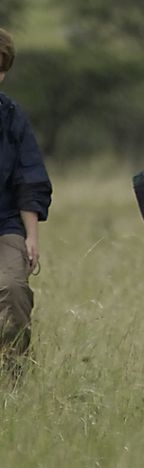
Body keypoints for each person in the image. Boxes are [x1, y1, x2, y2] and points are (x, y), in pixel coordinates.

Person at [0, 28, 51, 382]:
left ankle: (13, 375)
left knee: (15, 291)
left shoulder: (11, 116)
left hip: (5, 223)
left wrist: (31, 237)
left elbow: (29, 177)